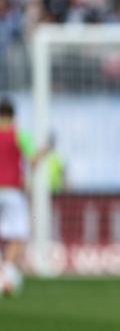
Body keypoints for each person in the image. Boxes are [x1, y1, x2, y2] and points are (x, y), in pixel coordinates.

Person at [0, 97, 48, 295]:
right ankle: (7, 275)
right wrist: (45, 151)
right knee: (17, 235)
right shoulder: (19, 135)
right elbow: (33, 160)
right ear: (13, 116)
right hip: (12, 190)